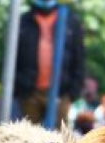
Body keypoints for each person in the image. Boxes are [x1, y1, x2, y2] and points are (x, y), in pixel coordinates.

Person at [13, 0, 85, 128]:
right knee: (30, 140)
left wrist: (72, 93)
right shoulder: (23, 21)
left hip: (61, 93)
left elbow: (79, 58)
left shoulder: (70, 22)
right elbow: (14, 56)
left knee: (57, 141)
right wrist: (19, 88)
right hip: (30, 92)